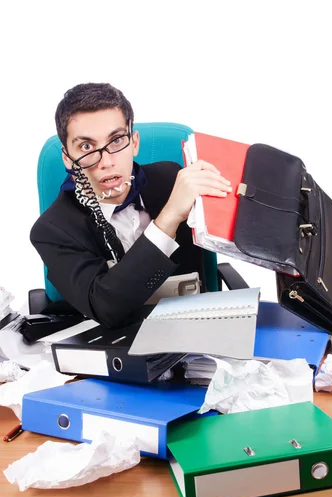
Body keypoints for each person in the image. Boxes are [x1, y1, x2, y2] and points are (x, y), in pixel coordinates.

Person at [30, 83, 232, 328]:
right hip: (106, 345)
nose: (105, 162)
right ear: (67, 158)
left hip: (192, 329)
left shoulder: (173, 179)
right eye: (86, 147)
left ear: (134, 142)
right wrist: (168, 219)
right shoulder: (51, 231)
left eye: (116, 141)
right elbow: (106, 307)